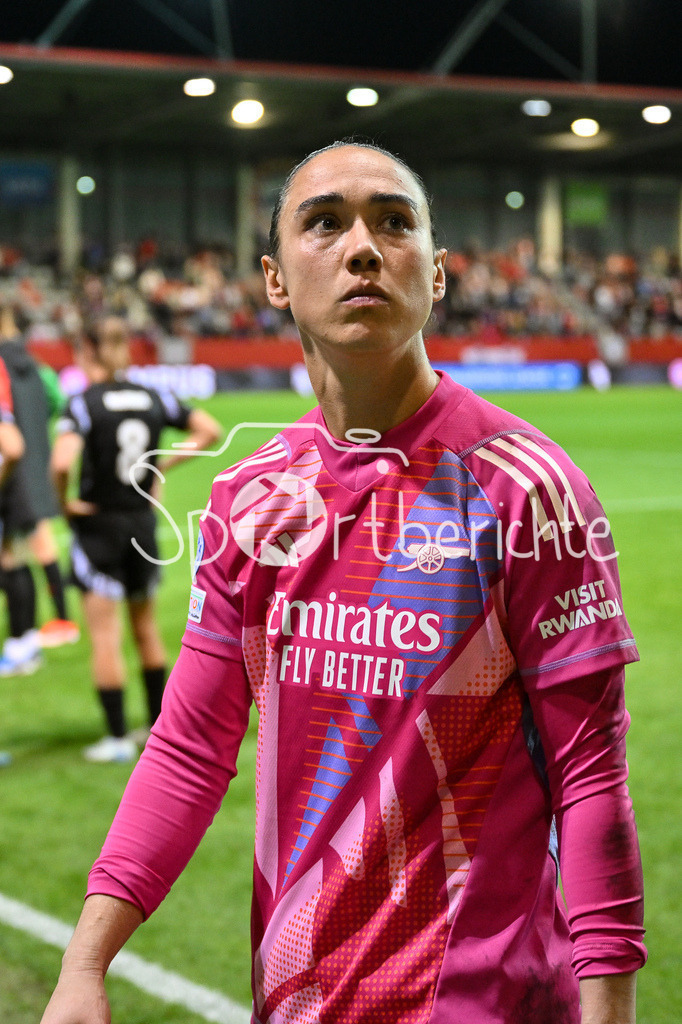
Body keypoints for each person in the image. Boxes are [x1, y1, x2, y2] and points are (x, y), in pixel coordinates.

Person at [41, 142, 646, 1023]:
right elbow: (189, 746)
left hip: (482, 1004)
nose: (362, 246)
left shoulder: (525, 488)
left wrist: (611, 1007)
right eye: (324, 222)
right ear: (275, 279)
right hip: (296, 999)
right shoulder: (251, 499)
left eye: (393, 222)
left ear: (436, 275)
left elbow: (591, 773)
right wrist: (86, 963)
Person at [50, 315, 221, 763]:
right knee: (146, 629)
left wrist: (63, 501)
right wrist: (161, 466)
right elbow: (210, 430)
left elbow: (61, 460)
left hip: (99, 525)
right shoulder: (153, 396)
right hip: (142, 523)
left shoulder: (84, 402)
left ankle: (115, 737)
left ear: (87, 351)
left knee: (106, 636)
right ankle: (155, 728)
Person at [0, 304, 66, 675]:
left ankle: (21, 642)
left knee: (13, 557)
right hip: (34, 463)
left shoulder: (1, 367)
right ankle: (51, 624)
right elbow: (55, 401)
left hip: (10, 470)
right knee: (33, 546)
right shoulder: (34, 364)